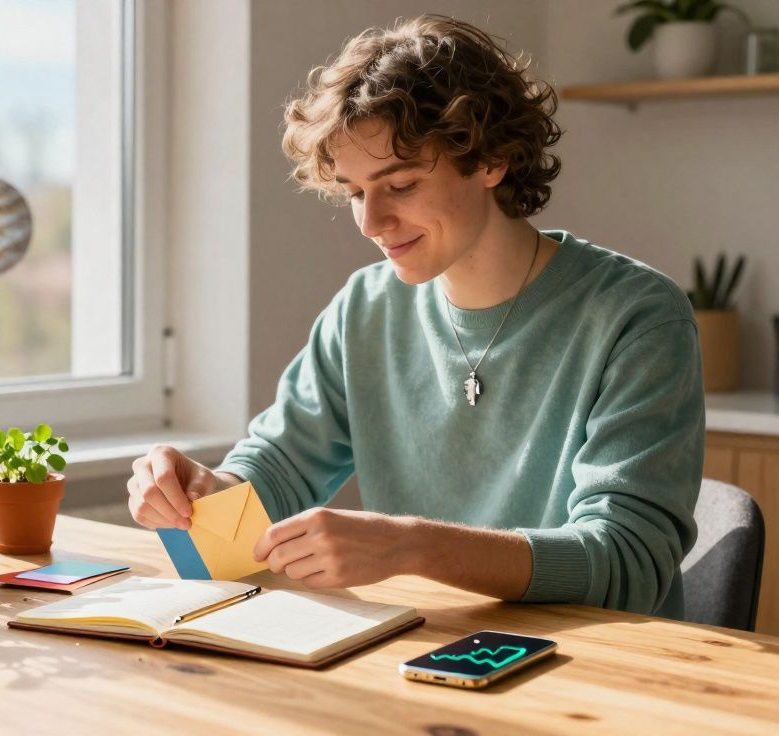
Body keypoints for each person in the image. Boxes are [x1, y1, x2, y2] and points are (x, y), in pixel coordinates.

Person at [126, 15, 703, 619]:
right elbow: (280, 468)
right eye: (354, 193)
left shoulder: (637, 318)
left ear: (490, 160)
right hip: (427, 650)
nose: (371, 223)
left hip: (604, 673)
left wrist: (407, 545)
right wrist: (202, 493)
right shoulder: (365, 309)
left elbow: (626, 563)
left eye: (398, 184)